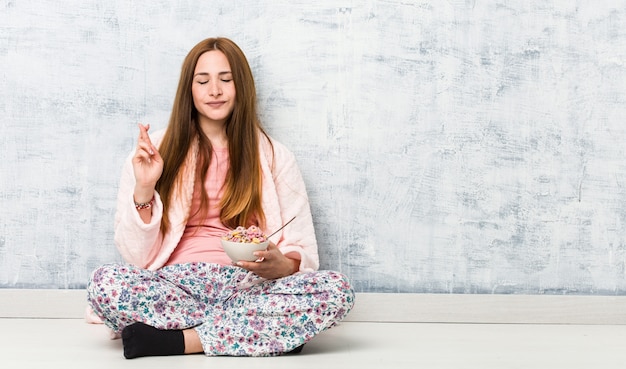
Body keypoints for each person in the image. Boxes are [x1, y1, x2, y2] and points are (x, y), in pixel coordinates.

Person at [86, 37, 355, 359]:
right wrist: (144, 188)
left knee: (336, 289)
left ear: (241, 86)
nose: (215, 90)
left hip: (248, 285)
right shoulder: (155, 150)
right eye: (203, 81)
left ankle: (177, 342)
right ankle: (265, 333)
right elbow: (135, 257)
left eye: (226, 80)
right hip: (176, 285)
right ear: (189, 89)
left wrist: (281, 266)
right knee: (106, 282)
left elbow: (301, 247)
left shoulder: (274, 155)